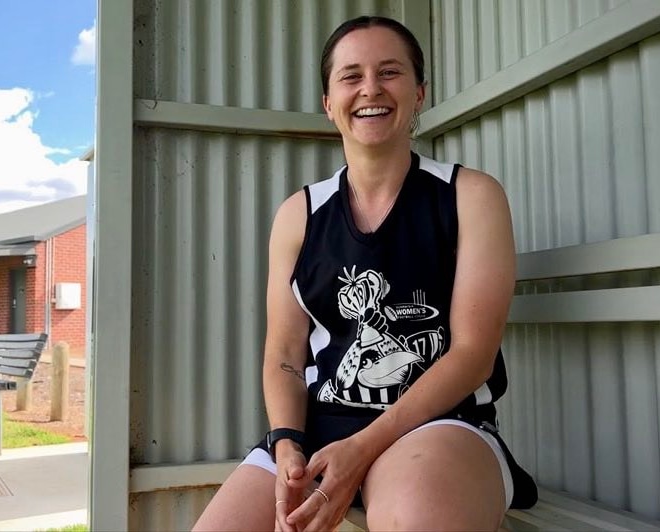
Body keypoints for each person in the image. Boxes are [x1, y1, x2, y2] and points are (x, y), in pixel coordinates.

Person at [193, 15, 536, 532]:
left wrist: (362, 449)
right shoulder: (298, 215)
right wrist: (287, 441)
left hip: (438, 424)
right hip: (321, 429)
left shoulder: (470, 196)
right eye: (350, 76)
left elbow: (472, 356)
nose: (370, 89)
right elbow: (284, 354)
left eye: (390, 72)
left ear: (419, 93)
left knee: (414, 519)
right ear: (329, 102)